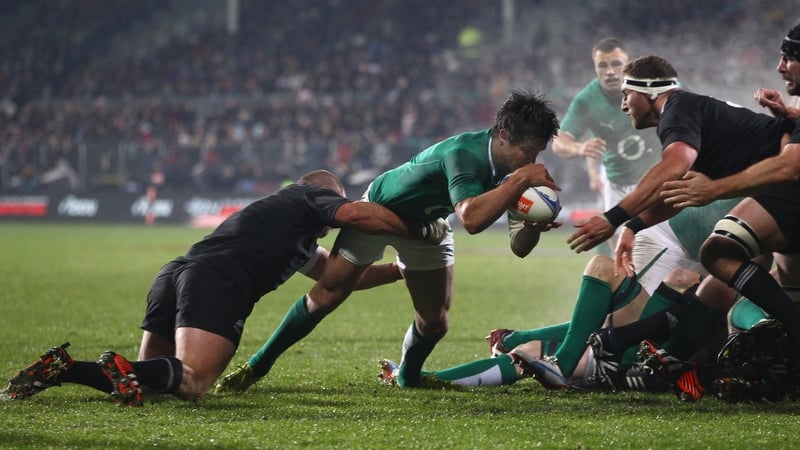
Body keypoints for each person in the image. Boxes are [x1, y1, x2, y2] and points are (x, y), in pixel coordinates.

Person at [3, 169, 449, 406]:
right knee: (194, 382)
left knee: (151, 383)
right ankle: (79, 367)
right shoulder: (305, 197)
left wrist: (397, 270)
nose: (338, 205)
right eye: (336, 197)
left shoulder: (293, 233)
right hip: (217, 283)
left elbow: (334, 275)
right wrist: (417, 231)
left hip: (177, 273)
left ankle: (66, 369)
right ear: (322, 194)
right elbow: (353, 215)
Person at [214, 90, 562, 392]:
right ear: (502, 134)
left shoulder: (517, 175)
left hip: (428, 226)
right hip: (379, 210)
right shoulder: (465, 154)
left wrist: (531, 225)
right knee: (328, 295)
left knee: (435, 322)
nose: (531, 162)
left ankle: (407, 378)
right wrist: (518, 182)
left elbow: (519, 248)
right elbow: (470, 219)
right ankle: (257, 365)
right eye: (527, 152)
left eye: (537, 154)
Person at [565, 50, 800, 347]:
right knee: (719, 288)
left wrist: (612, 218)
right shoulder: (690, 112)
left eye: (627, 94)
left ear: (650, 91)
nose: (623, 104)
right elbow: (678, 191)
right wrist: (633, 225)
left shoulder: (676, 108)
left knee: (718, 256)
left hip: (787, 188)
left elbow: (673, 167)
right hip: (781, 192)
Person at [375, 254, 704, 394]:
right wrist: (519, 336)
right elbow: (588, 325)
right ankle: (424, 379)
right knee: (526, 350)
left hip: (664, 355)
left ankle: (573, 364)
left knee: (607, 268)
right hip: (652, 340)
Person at [552, 38, 661, 259]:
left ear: (628, 64)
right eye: (603, 65)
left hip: (654, 181)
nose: (610, 71)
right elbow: (559, 142)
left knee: (661, 252)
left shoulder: (651, 86)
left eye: (616, 64)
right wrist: (578, 148)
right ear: (595, 67)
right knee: (622, 257)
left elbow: (689, 109)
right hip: (617, 186)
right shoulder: (587, 100)